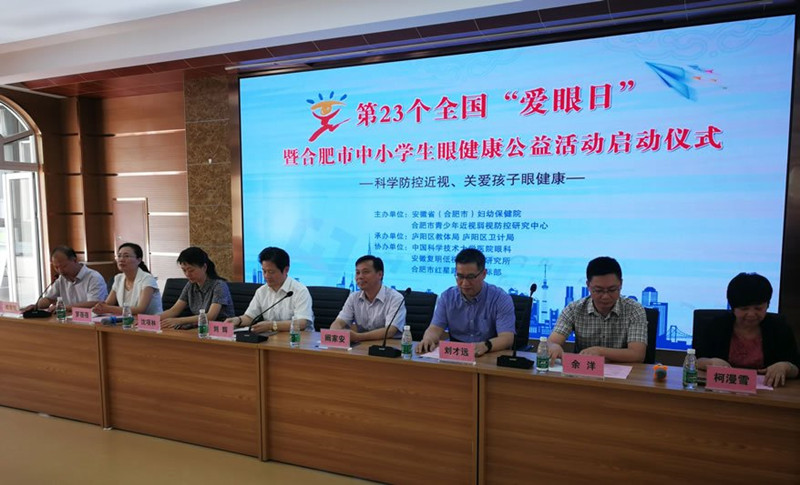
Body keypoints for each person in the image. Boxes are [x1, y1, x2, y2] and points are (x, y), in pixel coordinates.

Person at [696, 272, 799, 387]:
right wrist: (710, 362)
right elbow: (695, 359)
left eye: (758, 308)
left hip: (766, 390)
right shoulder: (717, 325)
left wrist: (785, 366)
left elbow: (796, 367)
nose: (751, 314)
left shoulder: (779, 328)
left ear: (767, 305)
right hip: (722, 389)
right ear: (733, 307)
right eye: (744, 309)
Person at [546, 256, 647, 364]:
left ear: (621, 284)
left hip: (623, 372)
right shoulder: (574, 309)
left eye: (612, 290)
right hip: (584, 371)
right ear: (588, 286)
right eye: (598, 290)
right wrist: (553, 346)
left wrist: (600, 351)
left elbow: (637, 354)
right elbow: (551, 342)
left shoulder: (634, 310)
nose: (605, 296)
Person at [417, 248, 515, 357]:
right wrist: (428, 339)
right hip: (457, 354)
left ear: (484, 274)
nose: (464, 283)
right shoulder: (447, 297)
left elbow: (507, 337)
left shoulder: (500, 298)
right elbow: (435, 328)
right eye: (460, 276)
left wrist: (485, 346)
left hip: (488, 352)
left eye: (470, 277)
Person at [225, 247, 313, 332]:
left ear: (286, 270)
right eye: (264, 271)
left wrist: (271, 325)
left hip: (298, 339)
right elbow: (250, 317)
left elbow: (302, 323)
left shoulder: (299, 291)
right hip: (272, 338)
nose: (266, 276)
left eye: (271, 272)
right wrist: (238, 320)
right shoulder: (261, 291)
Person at [329, 255, 406, 342]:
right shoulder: (353, 297)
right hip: (362, 346)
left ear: (380, 274)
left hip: (388, 346)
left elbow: (390, 331)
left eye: (365, 272)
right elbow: (339, 322)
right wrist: (335, 331)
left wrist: (358, 337)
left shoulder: (395, 298)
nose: (360, 277)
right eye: (357, 273)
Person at [160, 247, 234, 329]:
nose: (187, 274)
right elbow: (174, 310)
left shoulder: (219, 285)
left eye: (191, 270)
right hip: (200, 328)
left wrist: (179, 321)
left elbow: (210, 317)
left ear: (204, 267)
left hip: (221, 329)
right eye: (184, 270)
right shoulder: (190, 285)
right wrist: (153, 319)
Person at [24, 245, 108, 312]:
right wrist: (37, 306)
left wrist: (64, 307)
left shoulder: (94, 278)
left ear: (75, 261)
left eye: (64, 266)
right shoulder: (61, 279)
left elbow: (94, 304)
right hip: (68, 321)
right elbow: (49, 299)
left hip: (90, 322)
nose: (60, 271)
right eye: (56, 267)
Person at [93, 243, 162, 316]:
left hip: (150, 321)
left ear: (139, 260)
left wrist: (108, 308)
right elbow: (108, 304)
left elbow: (140, 309)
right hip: (127, 320)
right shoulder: (118, 278)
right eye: (119, 256)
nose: (121, 259)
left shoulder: (147, 279)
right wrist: (100, 307)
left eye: (126, 256)